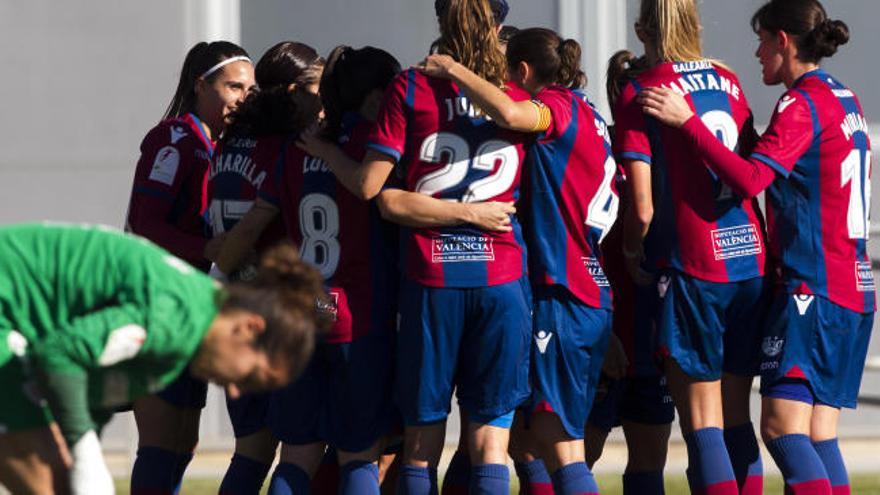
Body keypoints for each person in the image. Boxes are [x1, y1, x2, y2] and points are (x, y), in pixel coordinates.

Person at [638, 1, 873, 493]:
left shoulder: (801, 102)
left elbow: (749, 178)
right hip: (853, 286)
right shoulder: (844, 97)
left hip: (815, 288)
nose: (758, 53)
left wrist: (688, 121)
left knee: (781, 432)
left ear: (783, 41)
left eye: (763, 41)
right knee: (818, 437)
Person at [417, 26, 621, 495]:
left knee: (551, 443)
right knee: (522, 440)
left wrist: (451, 68)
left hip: (562, 291)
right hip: (585, 287)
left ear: (523, 72)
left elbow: (509, 110)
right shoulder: (590, 110)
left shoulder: (559, 109)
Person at [0, 223, 324, 495]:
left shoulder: (176, 353)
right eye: (250, 377)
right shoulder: (177, 317)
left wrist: (82, 458)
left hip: (17, 327)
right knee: (46, 480)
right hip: (8, 309)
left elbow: (85, 397)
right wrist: (85, 456)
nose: (237, 391)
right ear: (249, 328)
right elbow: (58, 355)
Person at [213, 45, 403, 495]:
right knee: (358, 454)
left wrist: (215, 275)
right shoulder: (374, 149)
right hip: (358, 316)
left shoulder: (297, 151)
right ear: (375, 97)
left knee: (296, 452)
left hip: (307, 313)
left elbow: (256, 221)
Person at [610, 1, 770, 493]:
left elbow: (640, 207)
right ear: (694, 25)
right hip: (748, 256)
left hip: (695, 263)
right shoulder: (729, 79)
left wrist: (634, 255)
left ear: (642, 30)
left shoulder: (643, 89)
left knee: (703, 422)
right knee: (737, 416)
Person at [124, 40, 257, 495]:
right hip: (157, 306)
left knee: (183, 443)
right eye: (233, 86)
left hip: (192, 307)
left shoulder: (219, 145)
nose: (243, 97)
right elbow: (144, 223)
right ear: (201, 85)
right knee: (161, 445)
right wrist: (208, 248)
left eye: (250, 88)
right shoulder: (174, 139)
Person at [208, 41, 323, 495]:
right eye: (317, 89)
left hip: (234, 303)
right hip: (277, 308)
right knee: (304, 447)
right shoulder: (287, 148)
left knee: (252, 453)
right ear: (295, 90)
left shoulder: (231, 140)